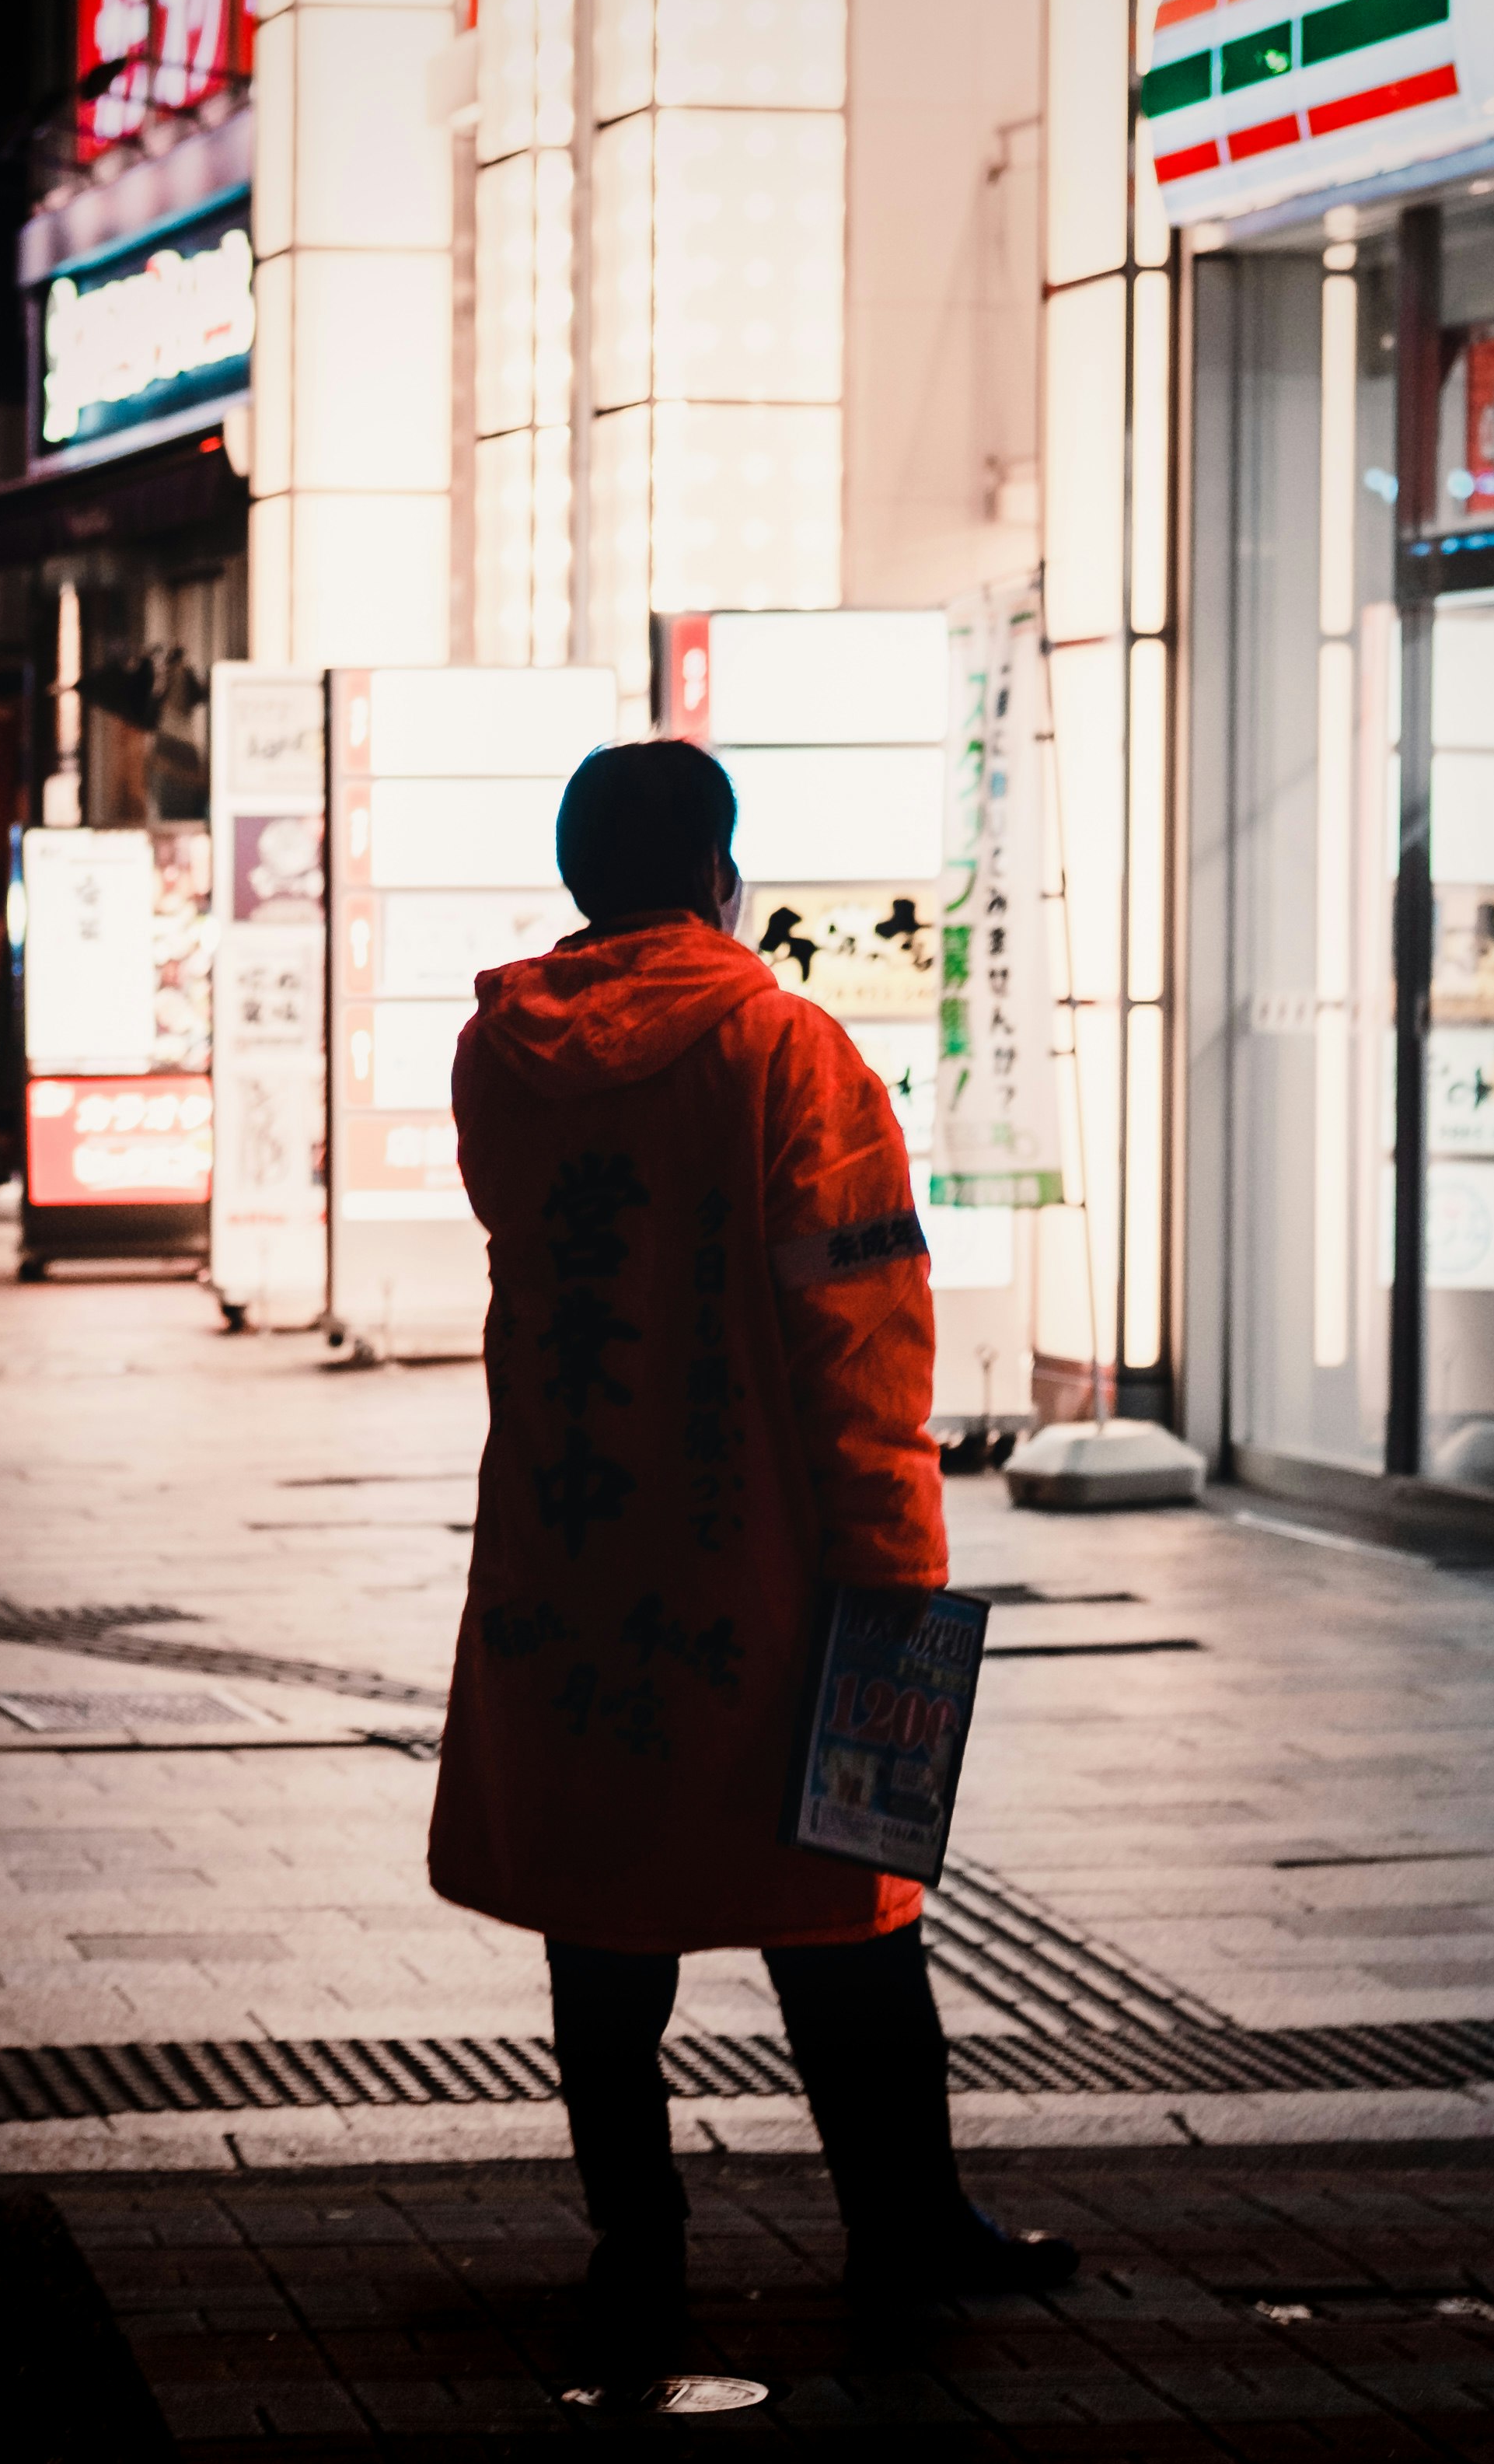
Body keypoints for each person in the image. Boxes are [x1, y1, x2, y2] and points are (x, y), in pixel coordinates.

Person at [429, 738, 1074, 2375]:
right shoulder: (787, 1048)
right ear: (724, 871)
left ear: (582, 877)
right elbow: (853, 1330)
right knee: (846, 1909)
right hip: (769, 1564)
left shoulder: (502, 1051)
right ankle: (904, 2219)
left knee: (601, 1911)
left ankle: (635, 2245)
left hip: (570, 1557)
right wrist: (893, 1566)